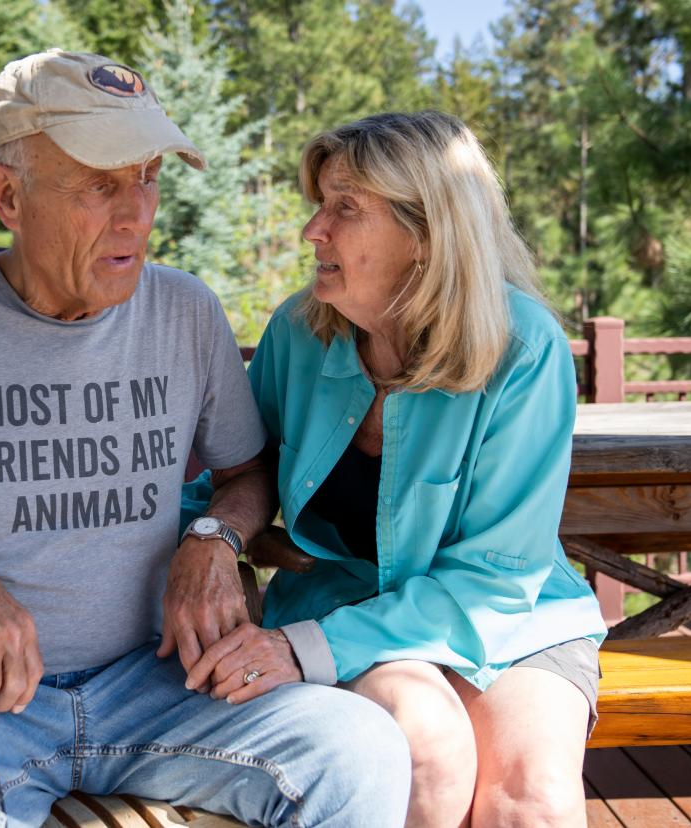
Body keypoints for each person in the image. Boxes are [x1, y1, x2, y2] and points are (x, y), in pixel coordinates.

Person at [0, 50, 409, 828]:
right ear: (8, 196)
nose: (136, 214)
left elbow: (251, 471)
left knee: (360, 749)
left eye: (149, 177)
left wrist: (212, 534)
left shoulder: (184, 311)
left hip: (165, 688)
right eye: (100, 185)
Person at [183, 111, 608, 827]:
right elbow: (233, 475)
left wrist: (304, 648)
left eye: (344, 208)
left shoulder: (524, 348)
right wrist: (215, 539)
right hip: (345, 602)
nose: (313, 230)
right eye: (319, 204)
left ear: (428, 234)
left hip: (509, 614)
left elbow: (500, 575)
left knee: (532, 799)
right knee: (428, 758)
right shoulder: (299, 332)